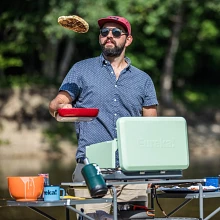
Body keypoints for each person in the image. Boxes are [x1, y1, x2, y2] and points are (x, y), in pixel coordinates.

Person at [49, 15, 158, 219]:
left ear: (128, 39)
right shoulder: (81, 70)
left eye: (116, 32)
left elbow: (151, 129)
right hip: (91, 169)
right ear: (100, 38)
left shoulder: (143, 80)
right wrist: (61, 105)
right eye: (104, 32)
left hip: (132, 172)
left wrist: (151, 171)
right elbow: (56, 105)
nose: (109, 36)